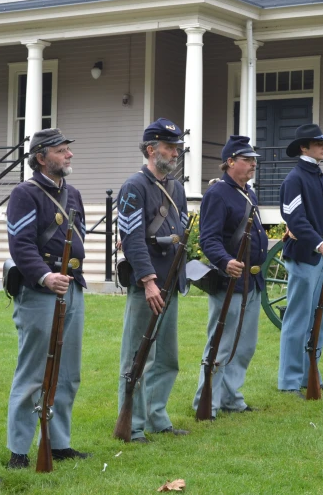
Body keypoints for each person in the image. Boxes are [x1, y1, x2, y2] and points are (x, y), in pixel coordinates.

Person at [5, 128, 89, 469]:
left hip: (72, 287)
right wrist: (44, 275)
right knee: (34, 371)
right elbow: (21, 245)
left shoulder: (73, 194)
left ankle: (57, 442)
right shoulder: (25, 194)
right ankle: (19, 450)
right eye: (61, 150)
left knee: (67, 372)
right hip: (40, 291)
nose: (68, 155)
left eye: (68, 149)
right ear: (41, 157)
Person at [116, 118, 190, 442]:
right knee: (137, 358)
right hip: (148, 285)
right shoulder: (134, 186)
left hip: (170, 282)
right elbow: (131, 238)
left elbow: (182, 233)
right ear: (151, 149)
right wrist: (147, 280)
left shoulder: (177, 188)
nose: (175, 153)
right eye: (169, 147)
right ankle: (131, 425)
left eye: (176, 147)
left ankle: (157, 417)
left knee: (167, 358)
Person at [191, 136, 269, 417]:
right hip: (231, 281)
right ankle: (207, 401)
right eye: (248, 160)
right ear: (231, 162)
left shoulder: (249, 192)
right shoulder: (217, 194)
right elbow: (208, 238)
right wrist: (225, 262)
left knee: (244, 345)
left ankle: (231, 398)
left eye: (254, 160)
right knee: (221, 344)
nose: (253, 164)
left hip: (252, 281)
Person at [278, 124, 323, 397]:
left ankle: (310, 374)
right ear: (304, 147)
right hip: (305, 256)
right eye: (318, 142)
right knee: (298, 319)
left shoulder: (319, 177)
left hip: (320, 258)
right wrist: (319, 244)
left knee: (319, 319)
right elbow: (295, 219)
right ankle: (290, 380)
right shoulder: (295, 179)